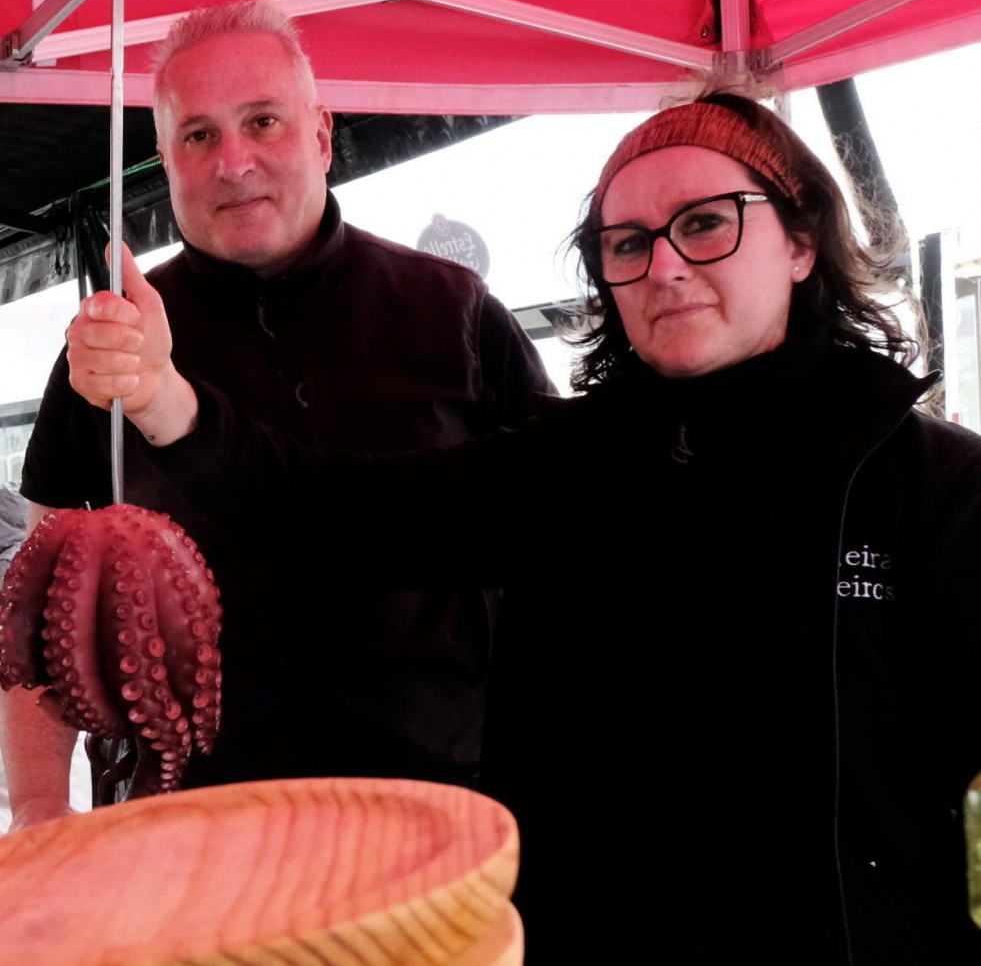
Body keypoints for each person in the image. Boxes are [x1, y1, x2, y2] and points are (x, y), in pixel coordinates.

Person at [59, 85, 981, 964]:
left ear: (800, 241)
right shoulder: (562, 464)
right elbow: (340, 513)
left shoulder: (929, 485)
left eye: (705, 223)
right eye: (626, 243)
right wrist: (162, 396)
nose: (663, 264)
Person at [0, 0, 553, 830]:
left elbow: (557, 557)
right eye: (198, 135)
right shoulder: (111, 344)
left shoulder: (455, 314)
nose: (233, 161)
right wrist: (41, 808)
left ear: (322, 134)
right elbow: (36, 604)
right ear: (164, 159)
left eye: (263, 121)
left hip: (437, 825)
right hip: (185, 832)